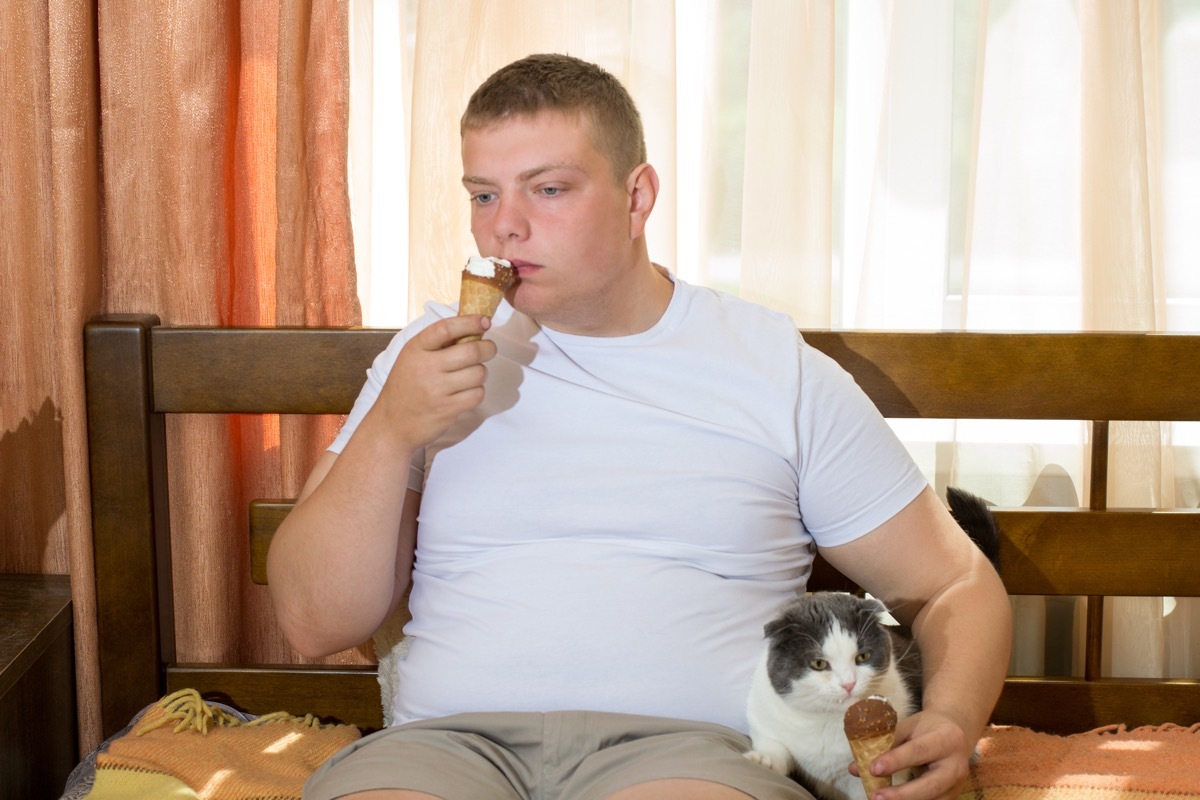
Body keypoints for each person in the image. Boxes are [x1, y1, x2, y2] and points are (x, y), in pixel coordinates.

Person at [268, 53, 1012, 800]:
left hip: (692, 756)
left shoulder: (773, 368)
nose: (505, 228)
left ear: (637, 196)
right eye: (484, 195)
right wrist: (391, 431)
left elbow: (954, 581)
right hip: (446, 749)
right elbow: (313, 621)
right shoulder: (429, 356)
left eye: (549, 189)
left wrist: (950, 716)